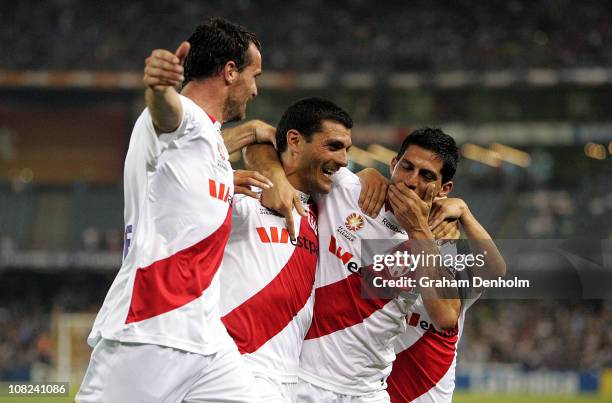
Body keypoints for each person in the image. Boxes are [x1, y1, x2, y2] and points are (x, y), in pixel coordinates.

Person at [77, 17, 276, 403]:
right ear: (230, 72)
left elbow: (199, 166)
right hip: (149, 330)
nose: (255, 88)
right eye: (254, 75)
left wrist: (250, 136)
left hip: (206, 340)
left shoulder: (212, 143)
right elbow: (166, 114)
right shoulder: (182, 118)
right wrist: (158, 88)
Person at [246, 128, 504, 402]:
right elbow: (267, 141)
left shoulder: (440, 243)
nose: (412, 181)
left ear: (444, 189)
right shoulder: (349, 188)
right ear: (393, 164)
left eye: (427, 175)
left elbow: (447, 316)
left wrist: (428, 227)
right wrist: (274, 174)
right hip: (308, 381)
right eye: (407, 167)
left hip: (369, 391)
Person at [219, 97, 353, 403]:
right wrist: (252, 131)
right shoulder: (246, 195)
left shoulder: (327, 211)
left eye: (347, 149)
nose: (344, 160)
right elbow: (172, 163)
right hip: (236, 367)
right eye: (333, 146)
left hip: (290, 380)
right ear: (294, 140)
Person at [387, 196, 506, 403]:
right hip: (376, 393)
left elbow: (495, 271)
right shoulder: (387, 252)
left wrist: (465, 213)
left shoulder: (455, 268)